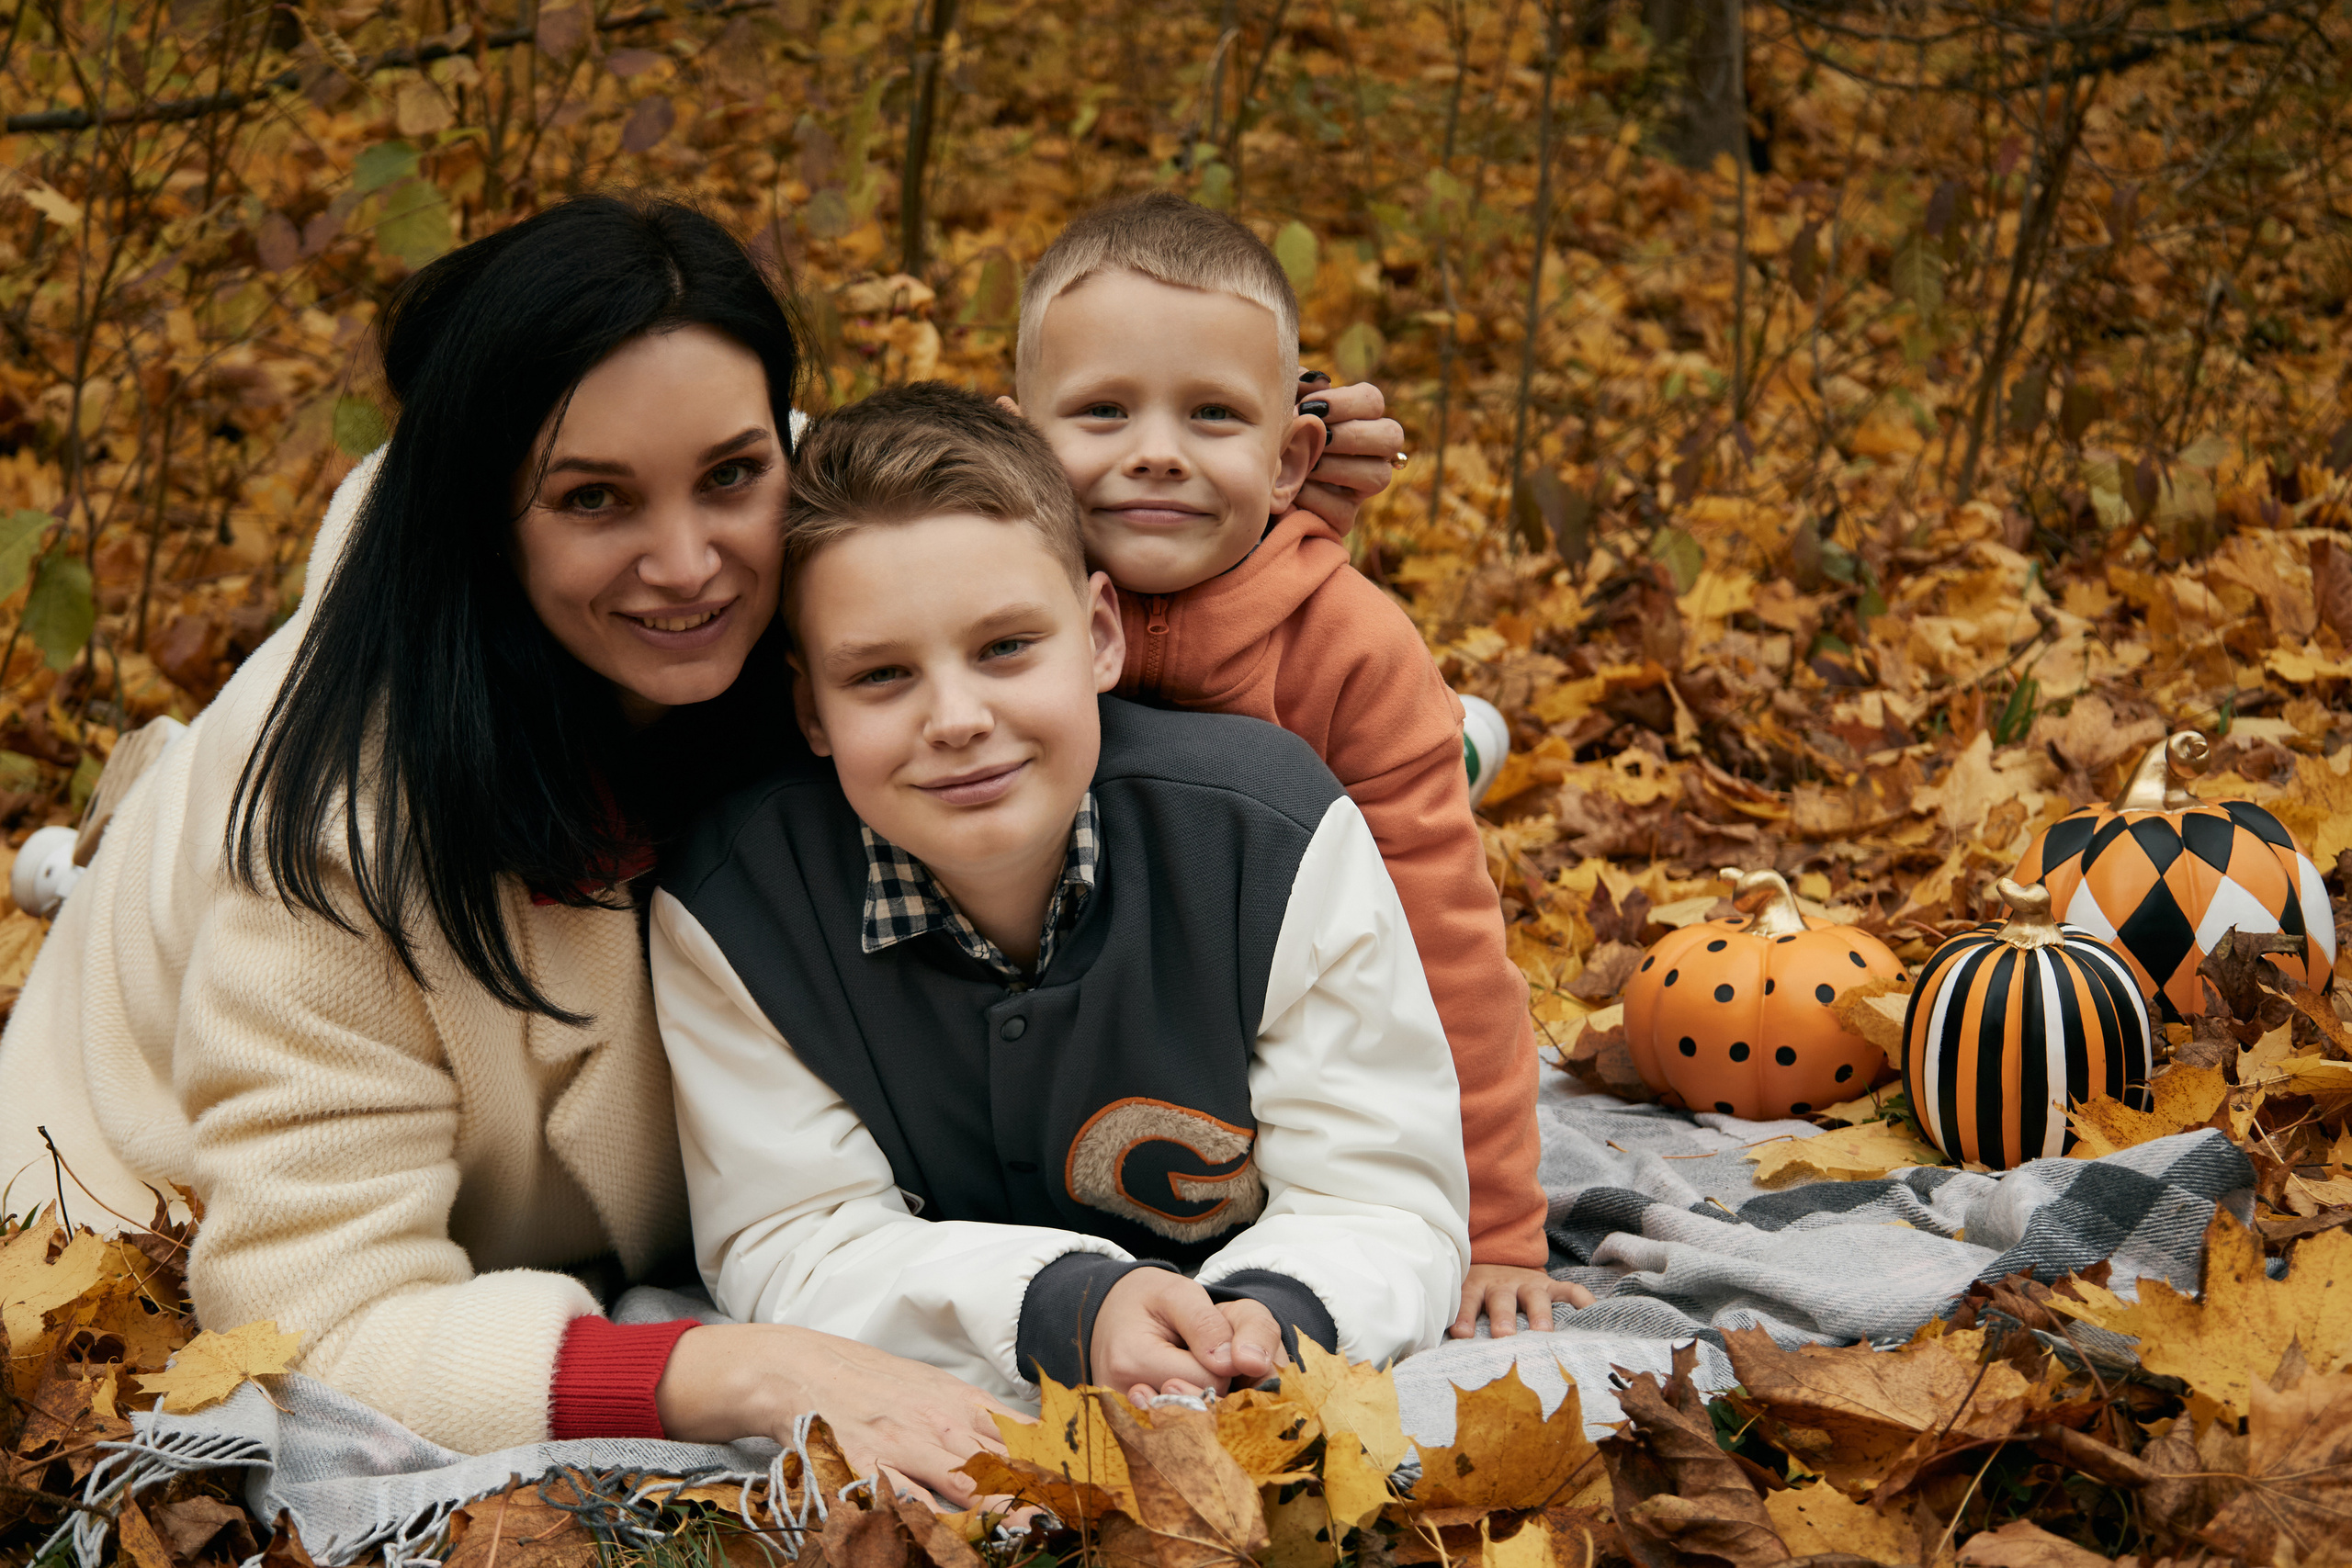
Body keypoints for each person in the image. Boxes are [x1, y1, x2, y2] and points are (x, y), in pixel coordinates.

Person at [652, 385, 1473, 1407]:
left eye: (1005, 648)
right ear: (808, 706)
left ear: (1096, 635)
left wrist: (1280, 1314)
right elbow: (790, 1236)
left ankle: (1464, 733)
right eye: (879, 676)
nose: (956, 719)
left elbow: (1384, 1188)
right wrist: (1064, 1310)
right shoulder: (740, 907)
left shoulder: (1270, 839)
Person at [1001, 193, 1589, 1337]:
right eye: (1103, 410)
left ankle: (1448, 745)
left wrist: (1496, 1222)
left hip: (1288, 965)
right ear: (1015, 438)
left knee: (1393, 828)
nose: (1156, 454)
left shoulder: (1348, 648)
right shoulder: (982, 612)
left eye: (1213, 415)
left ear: (1290, 462)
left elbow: (1448, 951)